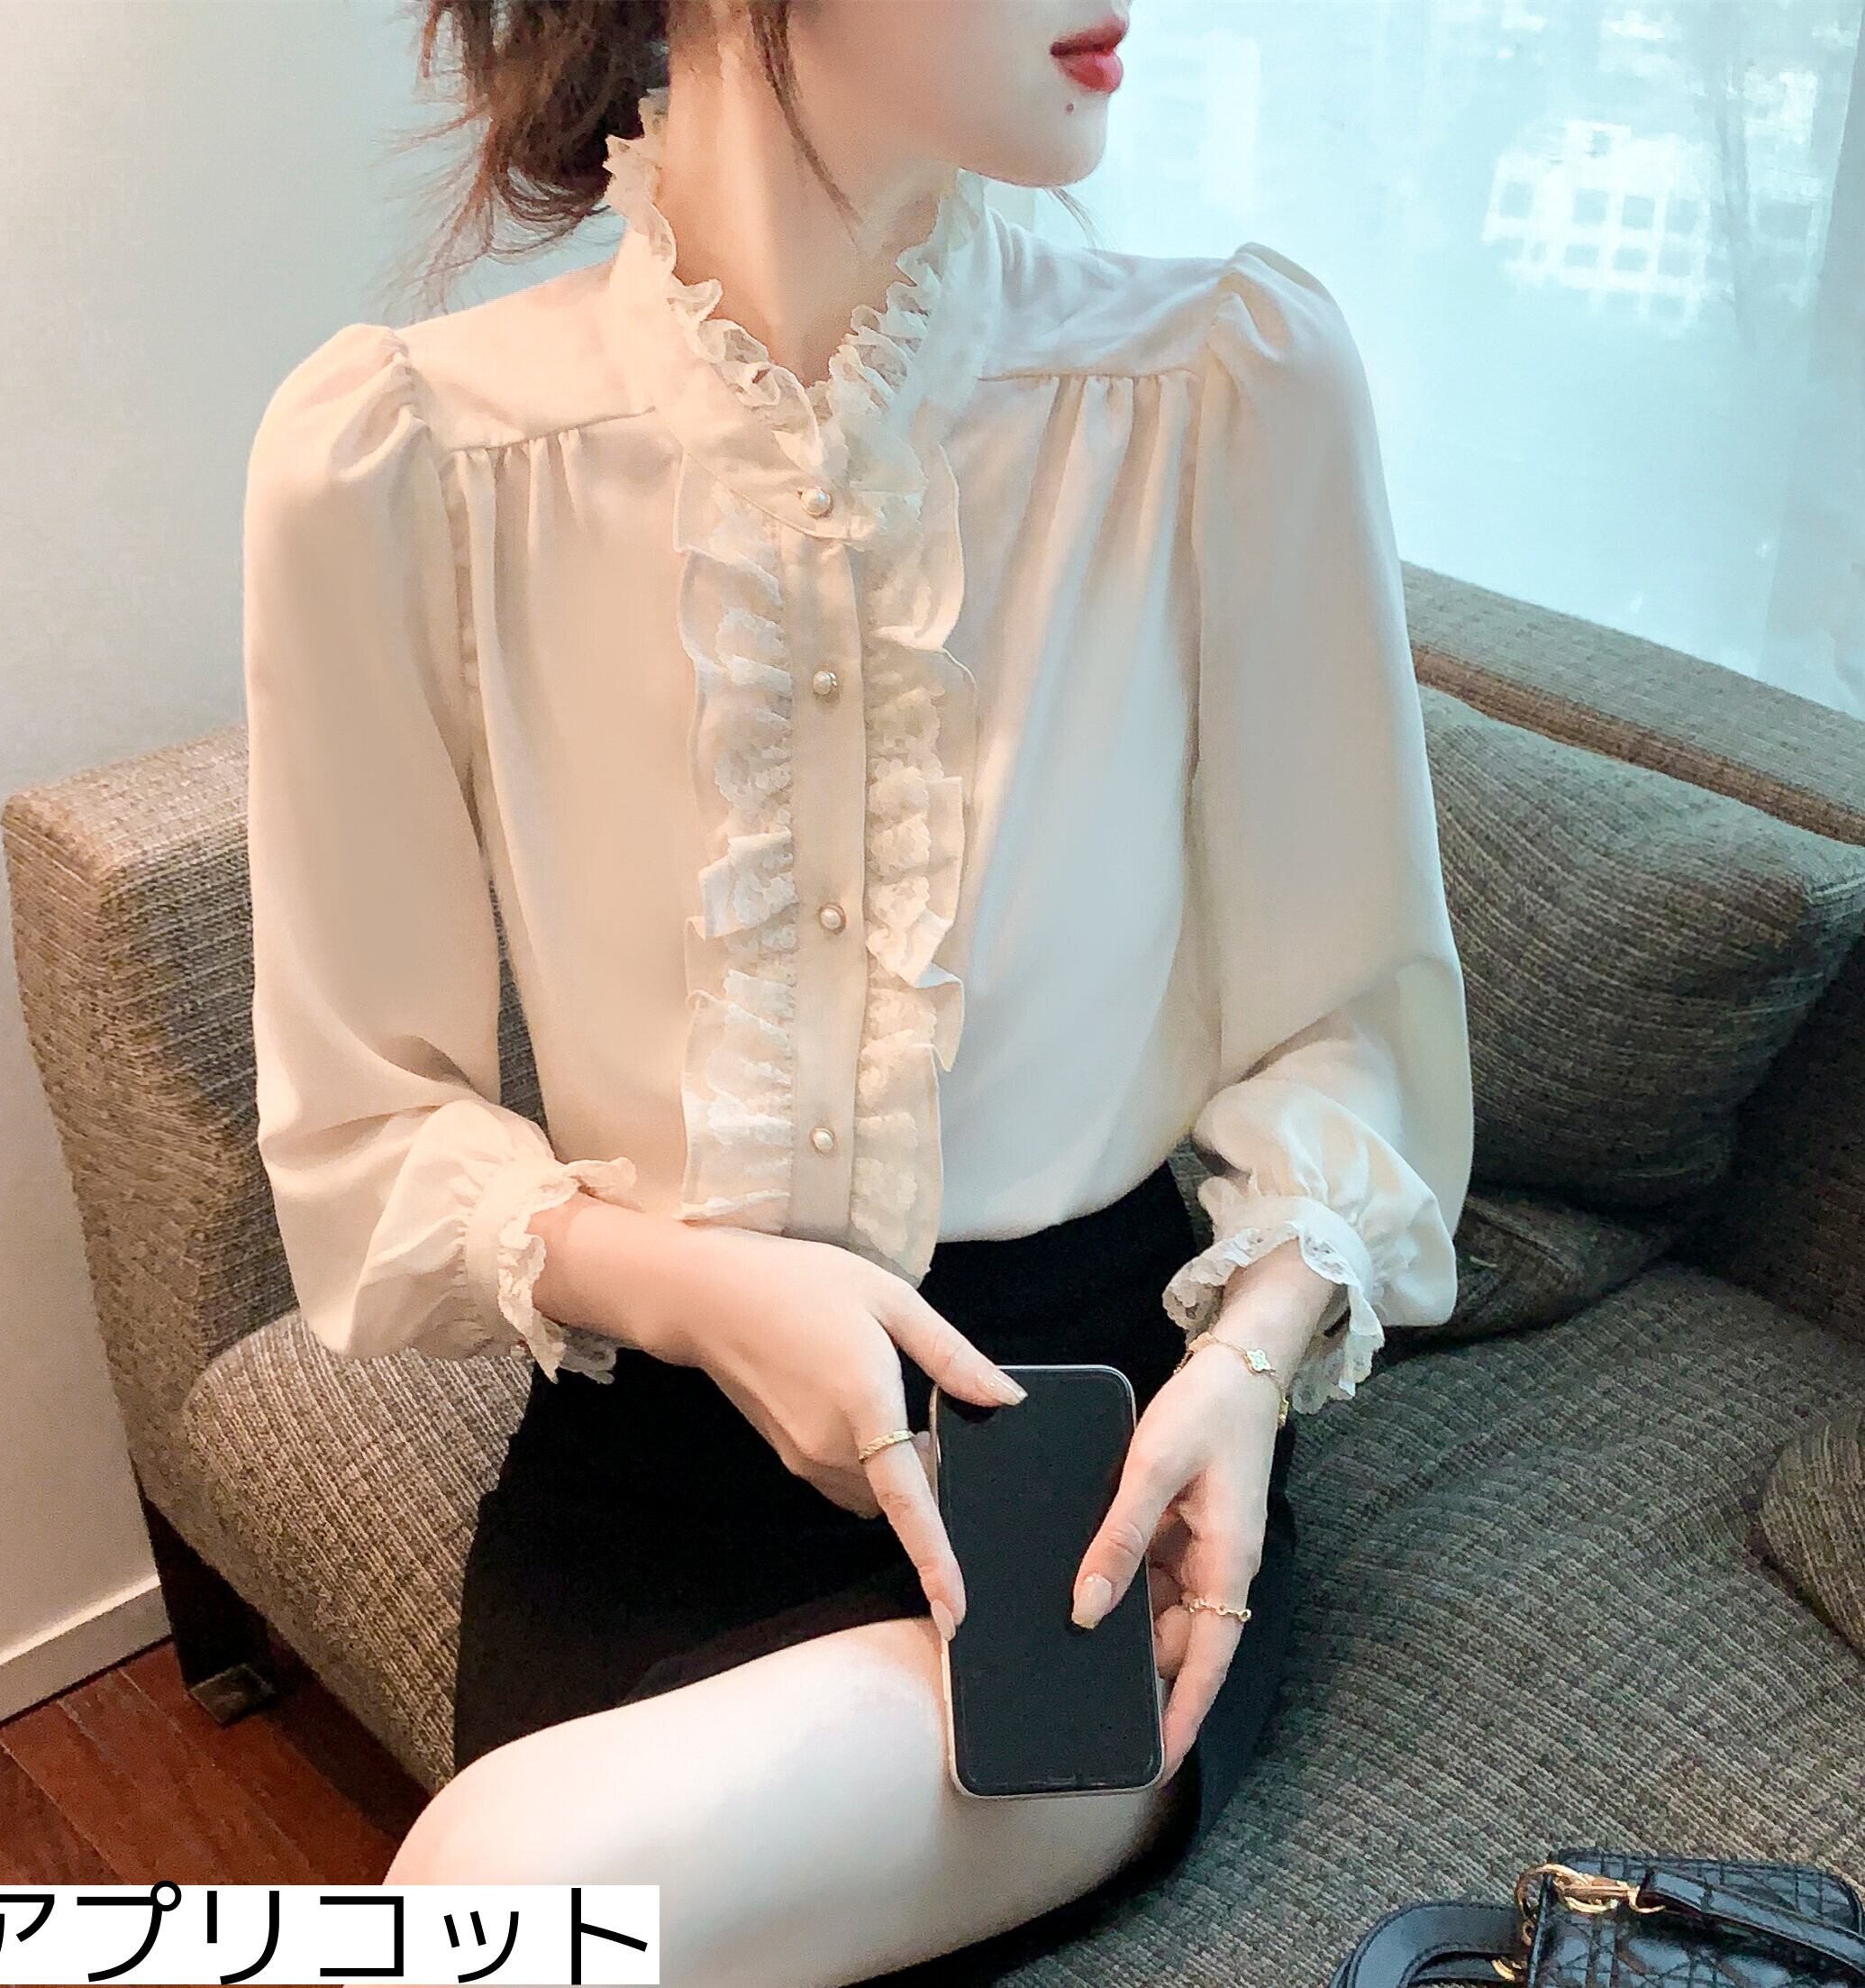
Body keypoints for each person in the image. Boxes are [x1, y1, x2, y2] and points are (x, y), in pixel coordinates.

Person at [239, 0, 1473, 1980]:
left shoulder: (1222, 383)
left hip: (1080, 1460)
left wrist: (1248, 1368)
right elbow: (366, 1120)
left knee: (508, 1886)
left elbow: (1344, 1014)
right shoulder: (402, 454)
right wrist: (696, 1285)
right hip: (652, 1446)